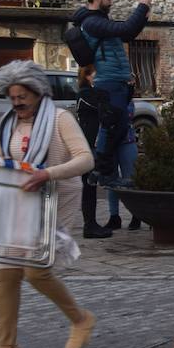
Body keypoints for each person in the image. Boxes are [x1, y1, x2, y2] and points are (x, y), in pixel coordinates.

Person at [0, 61, 97, 348]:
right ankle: (7, 347)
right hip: (19, 202)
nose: (17, 104)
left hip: (57, 199)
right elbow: (0, 163)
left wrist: (46, 173)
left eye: (22, 97)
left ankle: (81, 320)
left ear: (37, 93)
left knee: (35, 271)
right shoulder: (6, 124)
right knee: (7, 272)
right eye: (12, 98)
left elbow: (86, 160)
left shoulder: (60, 119)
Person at [72, 0, 148, 229]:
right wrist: (141, 7)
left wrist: (143, 17)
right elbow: (126, 27)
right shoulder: (92, 22)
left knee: (118, 123)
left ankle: (103, 171)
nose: (111, 0)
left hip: (117, 81)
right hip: (109, 80)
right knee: (112, 122)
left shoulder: (99, 21)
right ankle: (101, 170)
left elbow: (127, 34)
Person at [74, 65, 112, 240]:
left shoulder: (92, 92)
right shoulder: (84, 93)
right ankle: (89, 225)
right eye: (97, 73)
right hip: (88, 144)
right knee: (88, 184)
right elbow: (101, 105)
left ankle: (92, 223)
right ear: (88, 76)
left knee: (92, 184)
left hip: (94, 143)